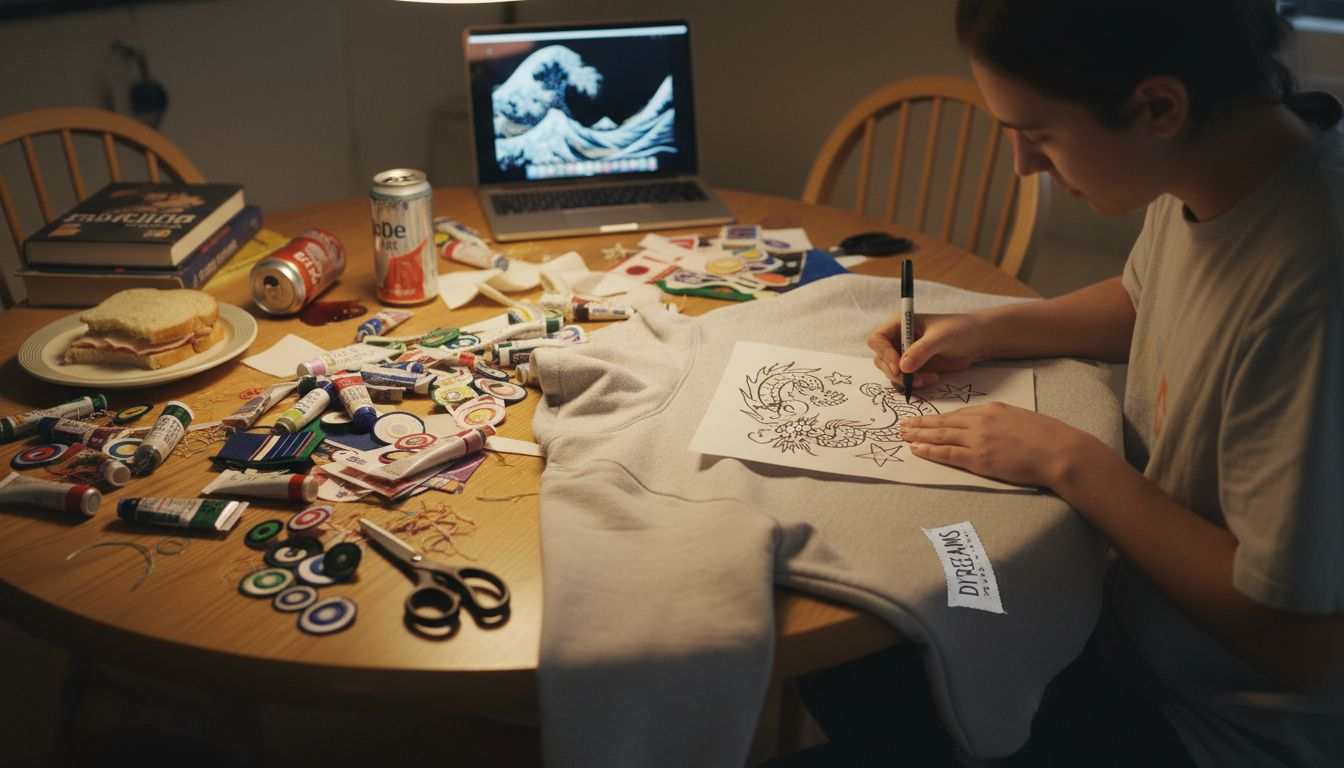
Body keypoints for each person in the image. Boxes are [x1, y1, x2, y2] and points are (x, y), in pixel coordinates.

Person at [790, 1, 1344, 766]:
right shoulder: (1221, 170)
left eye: (1040, 135)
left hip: (1217, 725)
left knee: (861, 667)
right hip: (1126, 625)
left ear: (1159, 106)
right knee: (849, 658)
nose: (1024, 167)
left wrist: (1069, 460)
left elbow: (1303, 646)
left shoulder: (1313, 289)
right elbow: (1149, 298)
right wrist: (990, 329)